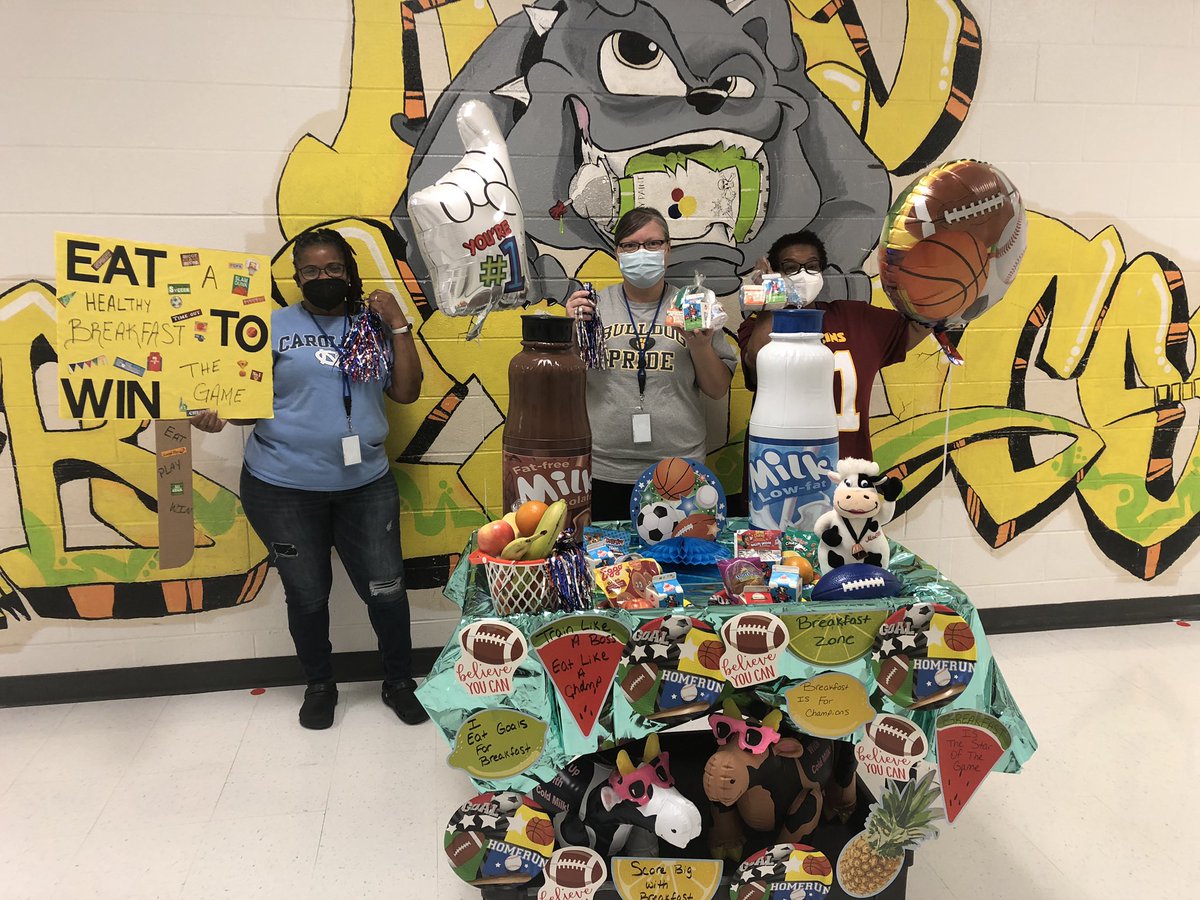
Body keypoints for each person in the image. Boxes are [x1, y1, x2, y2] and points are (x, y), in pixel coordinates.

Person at [192, 228, 428, 730]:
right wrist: (213, 415)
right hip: (283, 487)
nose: (323, 278)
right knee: (306, 594)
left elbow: (406, 392)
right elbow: (240, 409)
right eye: (312, 271)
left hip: (366, 484)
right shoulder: (267, 327)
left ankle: (399, 682)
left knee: (386, 589)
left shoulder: (371, 326)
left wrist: (400, 326)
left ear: (349, 272)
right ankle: (320, 685)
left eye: (333, 269)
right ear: (297, 276)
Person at [564, 207, 737, 522]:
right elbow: (565, 388)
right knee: (610, 566)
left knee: (677, 564)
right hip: (605, 469)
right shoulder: (592, 310)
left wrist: (699, 344)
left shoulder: (694, 308)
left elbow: (717, 389)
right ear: (616, 253)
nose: (641, 252)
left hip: (678, 468)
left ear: (668, 250)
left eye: (653, 244)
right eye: (629, 245)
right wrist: (571, 334)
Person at [737, 230, 932, 461]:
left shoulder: (856, 317)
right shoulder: (757, 325)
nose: (802, 274)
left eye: (812, 266)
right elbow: (759, 370)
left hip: (846, 468)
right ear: (776, 273)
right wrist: (769, 303)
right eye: (790, 267)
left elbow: (919, 325)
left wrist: (935, 278)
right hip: (779, 468)